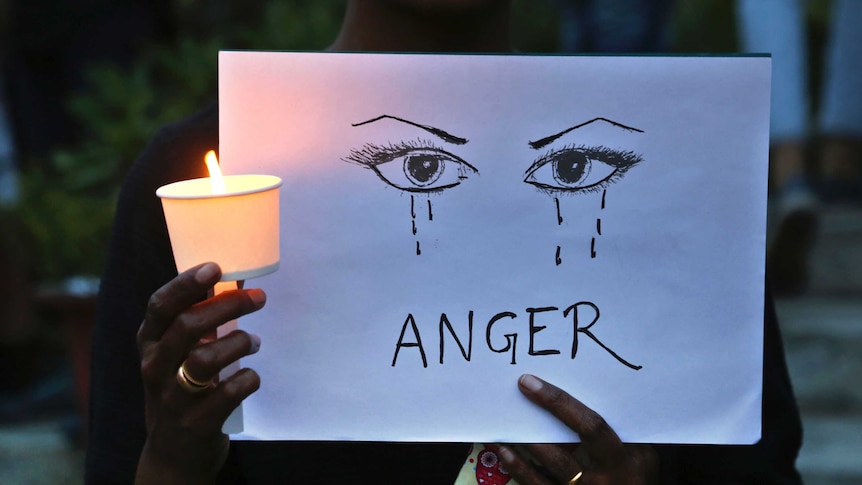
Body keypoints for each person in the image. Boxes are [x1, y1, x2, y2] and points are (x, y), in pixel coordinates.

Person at [86, 1, 803, 483]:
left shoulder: (684, 165)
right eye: (416, 169)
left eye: (577, 171)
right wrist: (174, 456)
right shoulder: (200, 184)